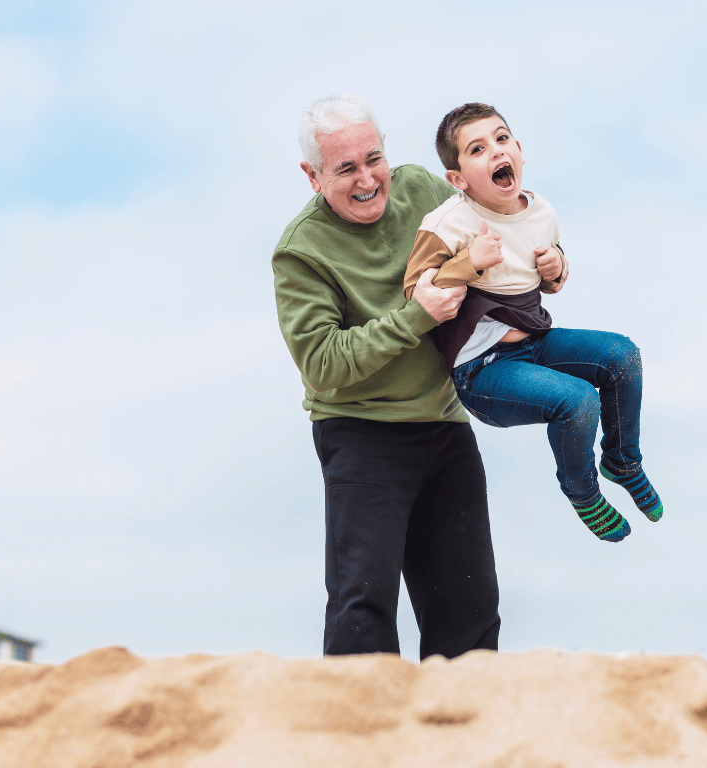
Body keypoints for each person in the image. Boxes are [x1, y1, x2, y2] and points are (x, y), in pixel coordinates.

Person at [272, 95, 501, 659]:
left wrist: (553, 259)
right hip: (359, 432)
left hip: (444, 425)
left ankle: (462, 741)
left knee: (470, 611)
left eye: (373, 159)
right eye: (346, 168)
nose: (368, 179)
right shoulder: (300, 253)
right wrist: (415, 316)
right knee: (363, 609)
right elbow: (323, 365)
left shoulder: (423, 190)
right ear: (313, 176)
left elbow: (500, 227)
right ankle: (359, 742)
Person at [404, 102, 662, 543]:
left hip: (536, 343)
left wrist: (557, 265)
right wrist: (468, 263)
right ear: (458, 178)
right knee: (579, 401)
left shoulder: (541, 211)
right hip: (483, 370)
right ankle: (582, 491)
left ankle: (622, 460)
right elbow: (415, 291)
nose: (496, 152)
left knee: (623, 356)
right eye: (477, 148)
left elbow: (550, 274)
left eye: (502, 140)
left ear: (519, 151)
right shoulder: (449, 223)